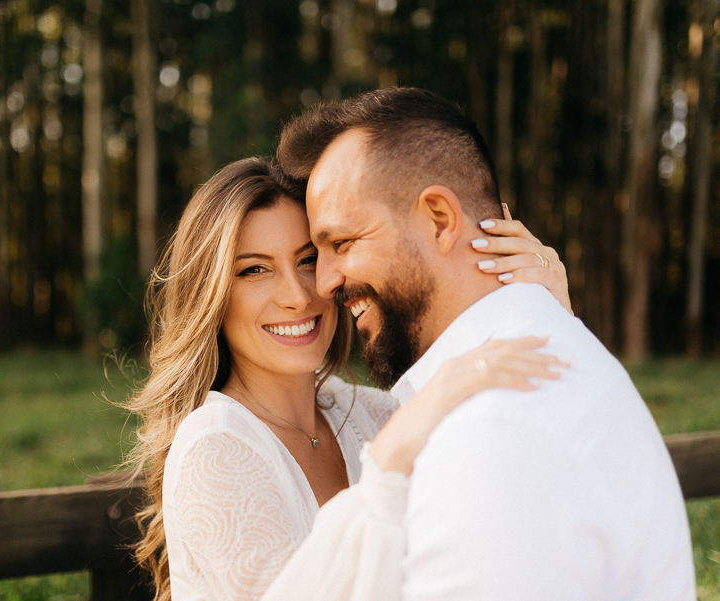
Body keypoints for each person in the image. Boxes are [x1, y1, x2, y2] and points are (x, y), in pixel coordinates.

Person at [276, 86, 696, 600]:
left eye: (341, 244)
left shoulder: (491, 428)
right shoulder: (538, 355)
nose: (323, 284)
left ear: (440, 219)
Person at [121, 153, 573, 601]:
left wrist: (552, 315)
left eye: (307, 260)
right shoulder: (215, 446)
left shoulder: (373, 413)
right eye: (254, 270)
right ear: (212, 296)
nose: (298, 296)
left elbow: (525, 495)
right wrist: (391, 458)